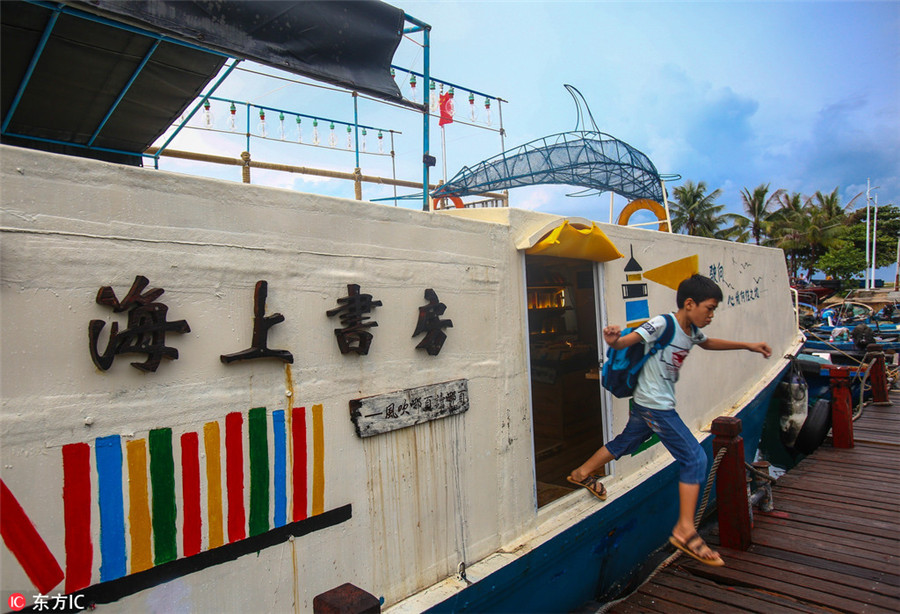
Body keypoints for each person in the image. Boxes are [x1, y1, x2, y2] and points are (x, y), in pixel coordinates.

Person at [567, 274, 772, 566]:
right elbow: (630, 339)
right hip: (656, 407)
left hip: (647, 405)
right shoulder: (664, 323)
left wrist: (748, 345)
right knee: (695, 459)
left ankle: (580, 473)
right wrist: (615, 340)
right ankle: (685, 530)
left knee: (625, 442)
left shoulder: (691, 331)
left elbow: (709, 343)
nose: (711, 315)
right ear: (689, 304)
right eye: (709, 308)